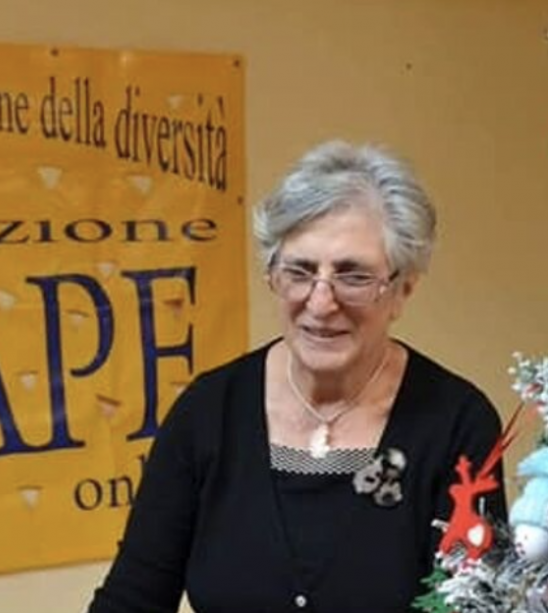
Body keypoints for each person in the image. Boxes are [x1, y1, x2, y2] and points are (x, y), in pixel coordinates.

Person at [88, 141, 507, 612]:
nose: (321, 303)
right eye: (300, 271)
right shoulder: (207, 414)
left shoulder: (456, 426)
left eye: (353, 276)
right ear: (272, 275)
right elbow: (131, 600)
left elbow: (474, 604)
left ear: (402, 290)